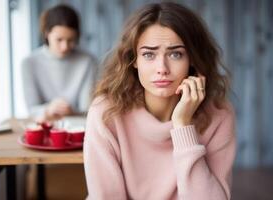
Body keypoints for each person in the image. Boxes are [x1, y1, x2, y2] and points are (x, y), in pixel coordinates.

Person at [84, 2, 236, 200]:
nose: (162, 68)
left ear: (192, 59)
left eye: (175, 54)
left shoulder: (219, 114)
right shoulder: (106, 112)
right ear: (134, 60)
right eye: (149, 54)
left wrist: (182, 126)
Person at [22, 4, 98, 122]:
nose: (65, 47)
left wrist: (72, 111)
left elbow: (87, 109)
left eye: (71, 40)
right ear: (47, 34)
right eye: (59, 40)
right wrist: (48, 109)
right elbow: (32, 110)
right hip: (45, 125)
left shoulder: (88, 61)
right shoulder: (29, 63)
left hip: (77, 126)